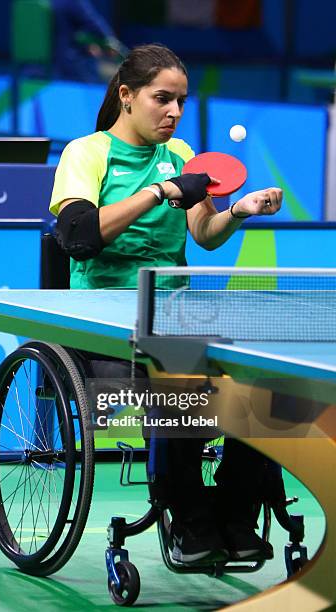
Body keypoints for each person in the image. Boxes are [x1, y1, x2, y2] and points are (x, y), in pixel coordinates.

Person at [49, 43, 284, 566]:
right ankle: (191, 521)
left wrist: (238, 212)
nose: (174, 112)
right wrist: (159, 191)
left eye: (181, 100)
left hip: (176, 317)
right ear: (127, 96)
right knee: (178, 380)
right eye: (162, 99)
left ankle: (235, 512)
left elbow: (202, 232)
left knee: (265, 379)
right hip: (103, 324)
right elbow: (80, 235)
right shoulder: (86, 154)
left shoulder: (181, 154)